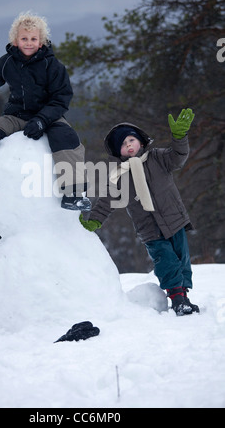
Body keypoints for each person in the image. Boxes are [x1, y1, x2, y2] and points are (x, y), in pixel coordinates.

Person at [0, 12, 91, 213]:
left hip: (49, 116)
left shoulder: (53, 66)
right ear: (15, 40)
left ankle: (73, 195)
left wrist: (41, 120)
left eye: (33, 39)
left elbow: (61, 98)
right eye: (24, 38)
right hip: (16, 116)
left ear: (41, 41)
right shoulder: (8, 62)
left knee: (67, 137)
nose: (28, 43)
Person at [79, 108, 200, 316]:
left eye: (130, 141)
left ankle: (184, 296)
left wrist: (179, 138)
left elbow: (178, 157)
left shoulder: (158, 157)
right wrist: (95, 221)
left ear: (141, 142)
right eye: (123, 145)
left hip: (174, 220)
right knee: (167, 261)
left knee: (182, 260)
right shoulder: (119, 176)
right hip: (150, 230)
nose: (128, 146)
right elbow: (107, 201)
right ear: (119, 153)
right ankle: (177, 299)